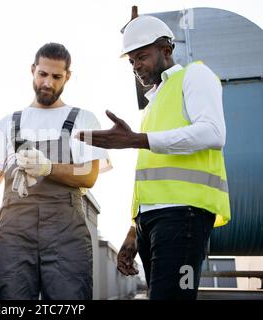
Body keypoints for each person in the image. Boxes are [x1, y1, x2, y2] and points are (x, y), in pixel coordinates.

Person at [0, 42, 111, 300]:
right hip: (15, 229)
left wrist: (47, 167)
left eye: (57, 77)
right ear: (33, 70)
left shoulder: (84, 119)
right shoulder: (8, 124)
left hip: (65, 230)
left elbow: (89, 175)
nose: (48, 83)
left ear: (67, 76)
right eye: (43, 74)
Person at [78, 15, 231, 299]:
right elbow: (155, 172)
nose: (136, 66)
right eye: (131, 61)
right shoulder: (153, 103)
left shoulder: (195, 76)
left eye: (142, 57)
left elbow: (213, 133)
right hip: (153, 221)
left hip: (184, 215)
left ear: (166, 50)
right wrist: (134, 230)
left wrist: (137, 139)